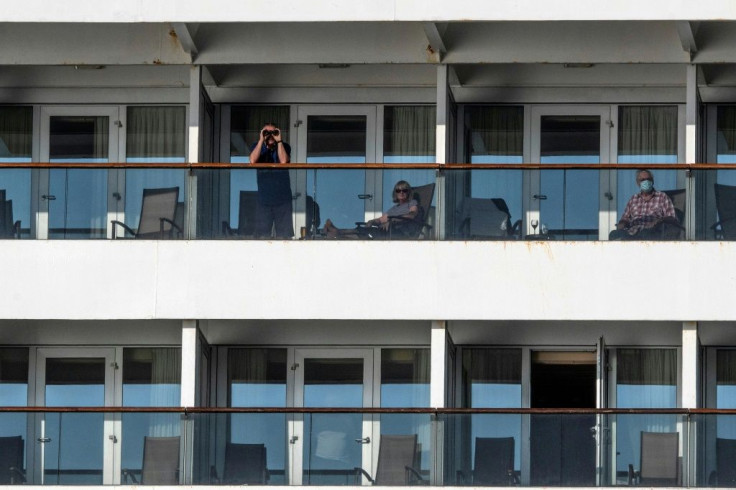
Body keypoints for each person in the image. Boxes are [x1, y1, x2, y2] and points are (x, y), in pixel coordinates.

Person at [322, 180, 421, 239]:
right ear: (395, 193)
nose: (401, 192)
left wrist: (392, 221)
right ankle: (337, 232)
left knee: (364, 232)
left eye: (404, 190)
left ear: (408, 192)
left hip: (399, 233)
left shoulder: (412, 203)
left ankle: (337, 232)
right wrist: (372, 221)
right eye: (398, 190)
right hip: (387, 231)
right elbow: (382, 220)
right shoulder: (394, 208)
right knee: (363, 229)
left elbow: (412, 215)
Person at [249, 123, 293, 238]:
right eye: (266, 132)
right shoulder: (257, 146)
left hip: (283, 199)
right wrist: (260, 140)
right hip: (264, 199)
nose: (270, 135)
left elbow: (283, 161)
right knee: (262, 236)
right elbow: (253, 161)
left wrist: (279, 141)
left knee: (284, 237)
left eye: (273, 132)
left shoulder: (284, 146)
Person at [609, 169, 677, 240]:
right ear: (638, 183)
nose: (646, 181)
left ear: (652, 181)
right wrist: (622, 223)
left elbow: (672, 218)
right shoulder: (633, 199)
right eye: (643, 180)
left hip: (653, 232)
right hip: (632, 232)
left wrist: (659, 221)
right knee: (614, 234)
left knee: (645, 234)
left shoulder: (662, 196)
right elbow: (625, 218)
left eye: (648, 179)